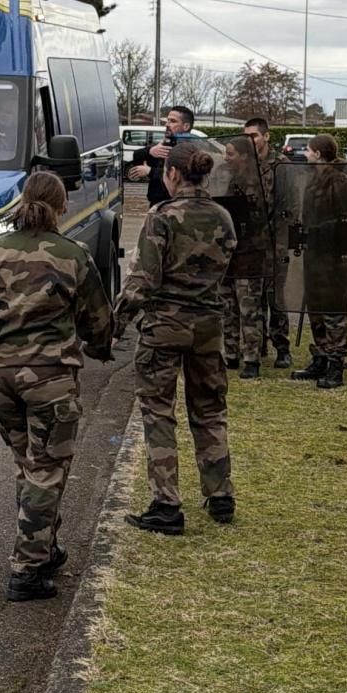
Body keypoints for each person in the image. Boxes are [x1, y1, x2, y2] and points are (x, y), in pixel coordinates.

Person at [0, 169, 113, 601]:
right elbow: (97, 321)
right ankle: (27, 570)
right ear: (62, 206)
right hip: (49, 378)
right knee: (47, 469)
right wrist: (99, 347)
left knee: (29, 465)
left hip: (1, 377)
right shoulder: (72, 254)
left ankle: (45, 546)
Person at [116, 141, 236, 533]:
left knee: (158, 413)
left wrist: (112, 328)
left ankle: (166, 503)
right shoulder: (223, 217)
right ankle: (220, 494)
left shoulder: (161, 217)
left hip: (164, 326)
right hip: (208, 327)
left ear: (172, 174)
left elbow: (142, 282)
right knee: (209, 410)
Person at [290, 134, 347, 390]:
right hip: (314, 254)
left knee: (334, 311)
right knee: (316, 309)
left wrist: (319, 230)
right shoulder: (313, 179)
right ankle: (319, 357)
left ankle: (335, 364)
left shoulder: (340, 180)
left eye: (308, 151)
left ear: (318, 154)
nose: (305, 155)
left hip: (334, 256)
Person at [235, 116, 292, 371]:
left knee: (276, 297)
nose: (251, 141)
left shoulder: (282, 165)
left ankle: (282, 347)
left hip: (276, 242)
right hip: (250, 244)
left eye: (254, 136)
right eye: (246, 137)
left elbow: (292, 204)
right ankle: (255, 347)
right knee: (251, 298)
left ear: (266, 137)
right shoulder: (242, 166)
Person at [128, 105, 212, 208]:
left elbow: (182, 175)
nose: (167, 124)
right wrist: (150, 151)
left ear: (186, 126)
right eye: (167, 120)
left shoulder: (190, 149)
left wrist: (150, 171)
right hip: (157, 203)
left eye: (173, 121)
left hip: (178, 204)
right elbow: (136, 155)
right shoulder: (166, 143)